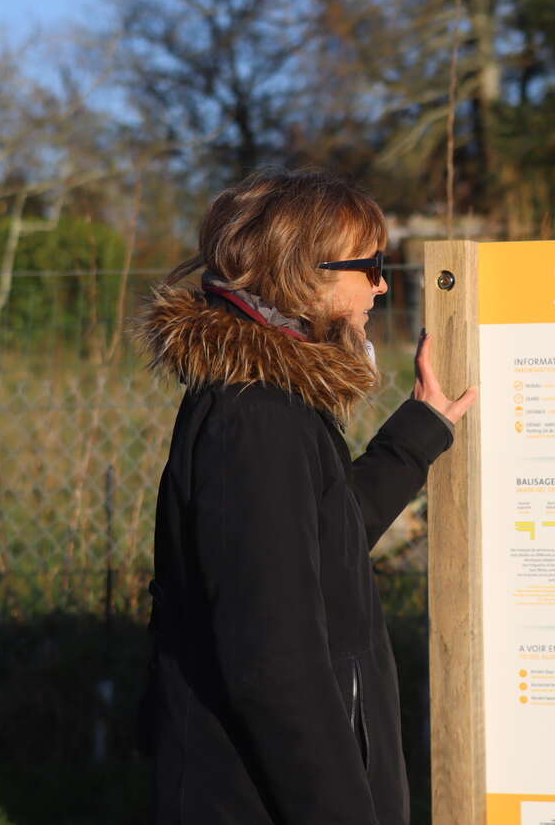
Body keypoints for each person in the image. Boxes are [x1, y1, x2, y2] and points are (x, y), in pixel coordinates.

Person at [131, 168, 478, 825]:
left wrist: (415, 434)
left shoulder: (274, 405)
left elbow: (325, 543)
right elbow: (274, 665)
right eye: (370, 264)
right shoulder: (254, 421)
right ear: (305, 271)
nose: (381, 282)